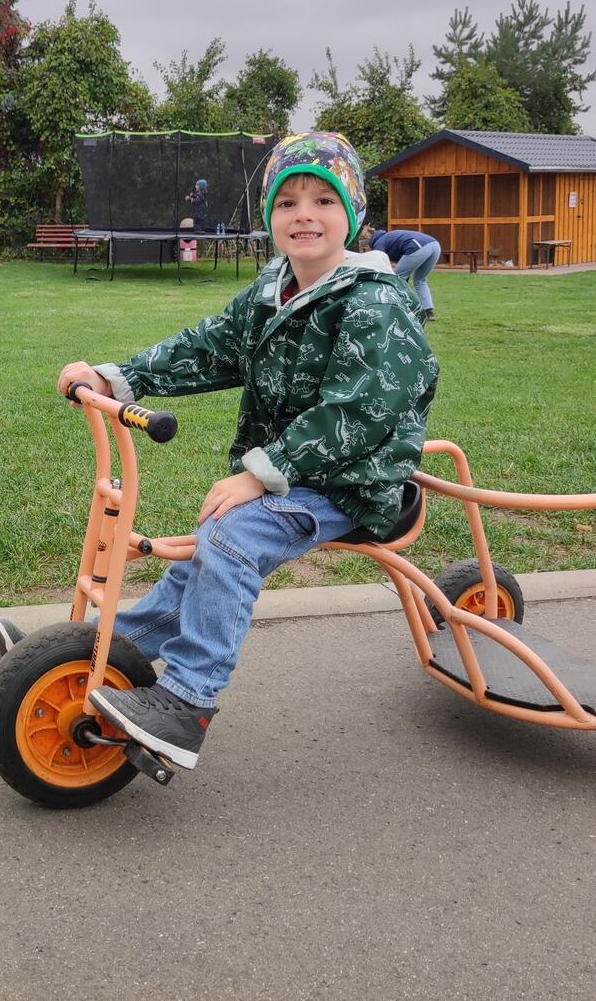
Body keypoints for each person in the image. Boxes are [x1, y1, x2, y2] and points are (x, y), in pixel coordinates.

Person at [53, 132, 438, 771]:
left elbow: (357, 411)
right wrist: (116, 377)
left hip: (352, 481)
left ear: (355, 214)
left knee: (230, 541)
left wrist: (263, 474)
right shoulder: (274, 287)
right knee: (206, 550)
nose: (304, 215)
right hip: (297, 472)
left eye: (324, 199)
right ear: (269, 218)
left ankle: (187, 701)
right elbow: (209, 346)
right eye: (287, 203)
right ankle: (102, 649)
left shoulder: (375, 304)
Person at [366, 227, 442, 320]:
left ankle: (398, 308)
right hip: (434, 245)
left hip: (417, 247)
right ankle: (429, 311)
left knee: (396, 279)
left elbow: (380, 261)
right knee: (420, 280)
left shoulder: (379, 242)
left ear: (369, 239)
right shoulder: (387, 236)